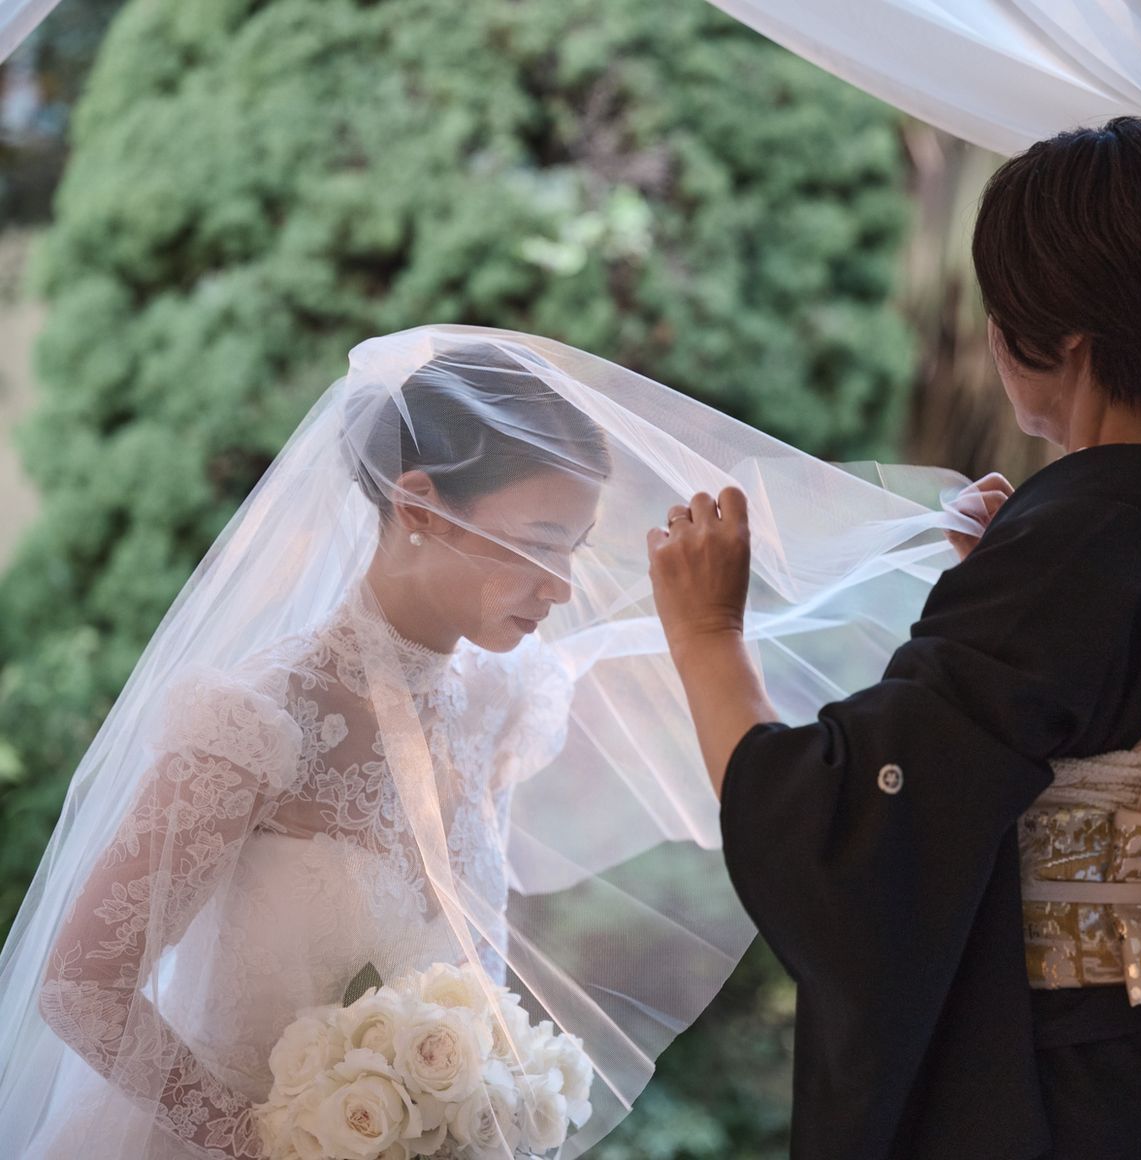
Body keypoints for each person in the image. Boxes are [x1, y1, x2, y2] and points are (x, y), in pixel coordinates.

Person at [0, 325, 977, 1159]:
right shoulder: (259, 721)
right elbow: (83, 983)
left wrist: (969, 562)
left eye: (572, 547)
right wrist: (268, 1143)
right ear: (420, 504)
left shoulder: (503, 697)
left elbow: (761, 644)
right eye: (539, 541)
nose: (561, 585)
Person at [649, 115, 1141, 1160]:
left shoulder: (1078, 537)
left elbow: (847, 833)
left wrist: (706, 635)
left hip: (1086, 1087)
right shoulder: (1080, 542)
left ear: (1060, 343)